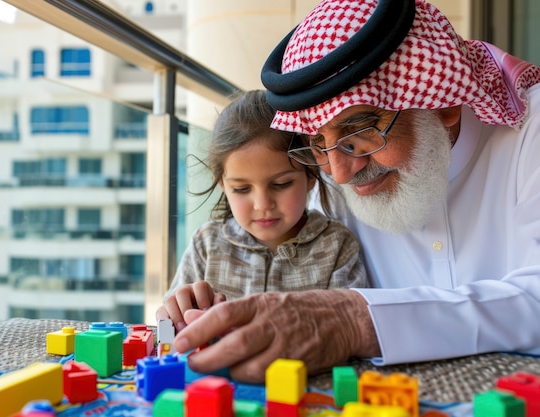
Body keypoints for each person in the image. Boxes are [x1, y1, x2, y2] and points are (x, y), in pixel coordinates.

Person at [172, 0, 540, 384]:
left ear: (443, 104)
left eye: (361, 133)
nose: (341, 174)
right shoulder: (328, 173)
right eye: (318, 142)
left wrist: (355, 320)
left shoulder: (532, 133)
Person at [156, 90, 367, 331]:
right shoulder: (206, 245)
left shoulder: (337, 246)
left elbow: (352, 328)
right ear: (223, 184)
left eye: (281, 184)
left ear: (310, 175)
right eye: (242, 188)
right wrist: (173, 315)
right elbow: (170, 324)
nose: (263, 204)